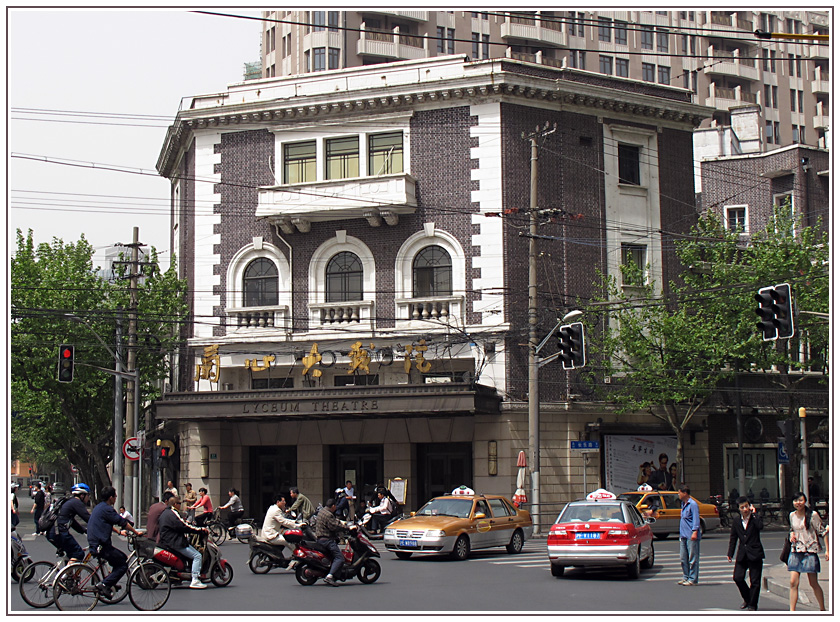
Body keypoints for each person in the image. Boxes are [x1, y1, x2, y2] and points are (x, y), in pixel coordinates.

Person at [87, 485, 140, 599]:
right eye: (115, 496)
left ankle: (109, 582)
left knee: (116, 560)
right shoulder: (108, 509)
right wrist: (136, 532)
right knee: (123, 563)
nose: (116, 498)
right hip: (101, 545)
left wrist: (119, 533)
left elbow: (108, 523)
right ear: (111, 497)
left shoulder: (99, 507)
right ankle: (105, 584)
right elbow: (122, 522)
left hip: (95, 542)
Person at [158, 495, 208, 589]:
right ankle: (195, 579)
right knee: (197, 556)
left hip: (167, 541)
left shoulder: (165, 513)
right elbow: (183, 526)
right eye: (180, 503)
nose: (180, 505)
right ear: (175, 504)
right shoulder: (173, 513)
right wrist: (200, 530)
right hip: (175, 542)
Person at [788, 491, 827, 611]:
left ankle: (822, 609)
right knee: (793, 582)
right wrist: (791, 535)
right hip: (795, 550)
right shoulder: (792, 515)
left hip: (809, 551)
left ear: (805, 501)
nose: (798, 503)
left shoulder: (813, 515)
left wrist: (828, 550)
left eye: (800, 500)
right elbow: (792, 529)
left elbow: (823, 532)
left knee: (813, 583)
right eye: (795, 501)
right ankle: (792, 611)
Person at [727, 496, 764, 611]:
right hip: (742, 554)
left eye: (747, 506)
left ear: (750, 506)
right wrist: (730, 553)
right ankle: (748, 599)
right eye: (742, 507)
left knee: (755, 581)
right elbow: (733, 537)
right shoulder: (737, 521)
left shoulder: (755, 518)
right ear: (738, 509)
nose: (745, 509)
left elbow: (760, 526)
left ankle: (753, 604)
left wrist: (755, 514)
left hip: (755, 553)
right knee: (737, 577)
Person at [47, 483, 91, 562]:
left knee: (70, 554)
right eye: (88, 495)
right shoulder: (76, 503)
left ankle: (68, 573)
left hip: (52, 533)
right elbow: (88, 518)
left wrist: (84, 530)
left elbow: (72, 522)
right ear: (82, 495)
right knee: (78, 554)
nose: (88, 498)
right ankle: (65, 573)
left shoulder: (70, 502)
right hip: (59, 532)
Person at [315, 498, 351, 586]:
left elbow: (333, 522)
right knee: (340, 558)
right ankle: (330, 576)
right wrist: (347, 528)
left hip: (320, 538)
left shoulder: (322, 511)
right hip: (327, 540)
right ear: (333, 506)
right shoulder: (328, 514)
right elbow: (333, 526)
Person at [677, 485, 701, 586]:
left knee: (692, 558)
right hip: (683, 535)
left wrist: (695, 531)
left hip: (691, 535)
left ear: (684, 493)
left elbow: (696, 519)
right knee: (683, 558)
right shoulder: (684, 504)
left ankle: (693, 579)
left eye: (679, 492)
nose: (678, 494)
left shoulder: (693, 504)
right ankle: (685, 576)